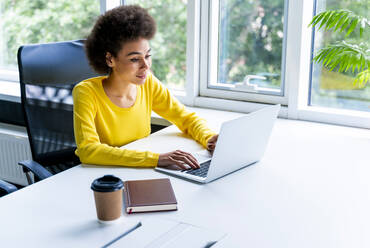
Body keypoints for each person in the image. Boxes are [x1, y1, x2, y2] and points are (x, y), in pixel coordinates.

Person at [73, 5, 218, 170]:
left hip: (140, 171)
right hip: (105, 177)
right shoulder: (86, 92)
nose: (145, 66)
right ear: (110, 59)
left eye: (147, 56)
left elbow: (185, 118)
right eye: (135, 59)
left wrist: (209, 137)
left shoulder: (148, 83)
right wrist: (155, 159)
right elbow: (88, 151)